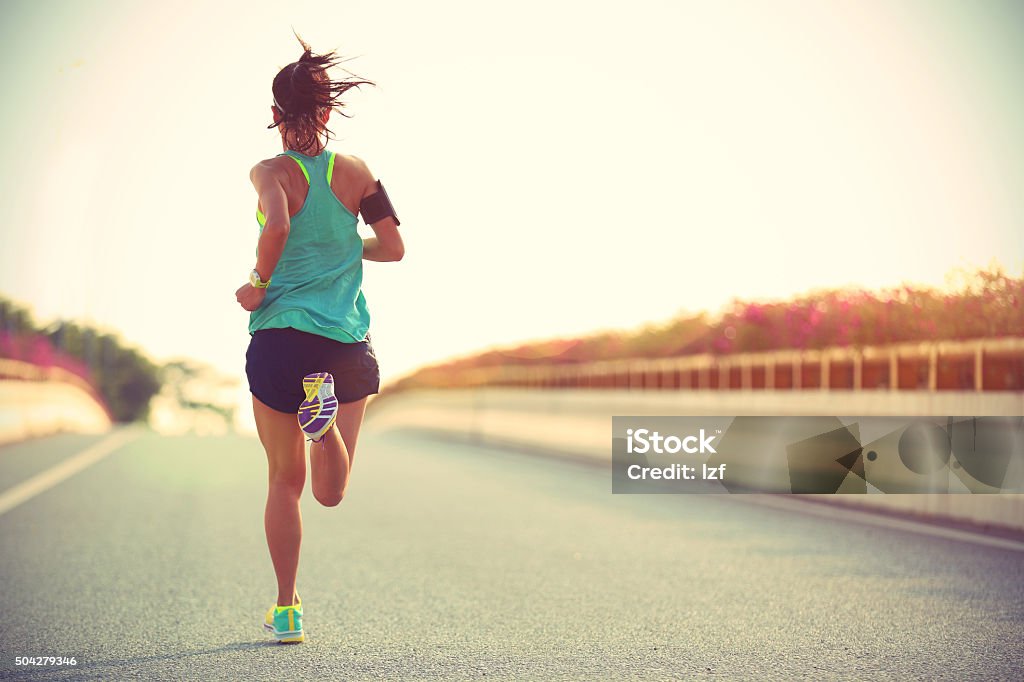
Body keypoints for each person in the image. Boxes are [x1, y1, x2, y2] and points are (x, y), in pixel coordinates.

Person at [234, 36, 404, 644]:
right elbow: (394, 247)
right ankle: (324, 424)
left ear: (276, 115)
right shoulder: (357, 173)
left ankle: (286, 607)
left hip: (281, 339)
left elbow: (277, 224)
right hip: (343, 346)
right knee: (332, 491)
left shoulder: (269, 171)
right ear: (329, 113)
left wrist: (257, 283)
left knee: (285, 482)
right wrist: (343, 246)